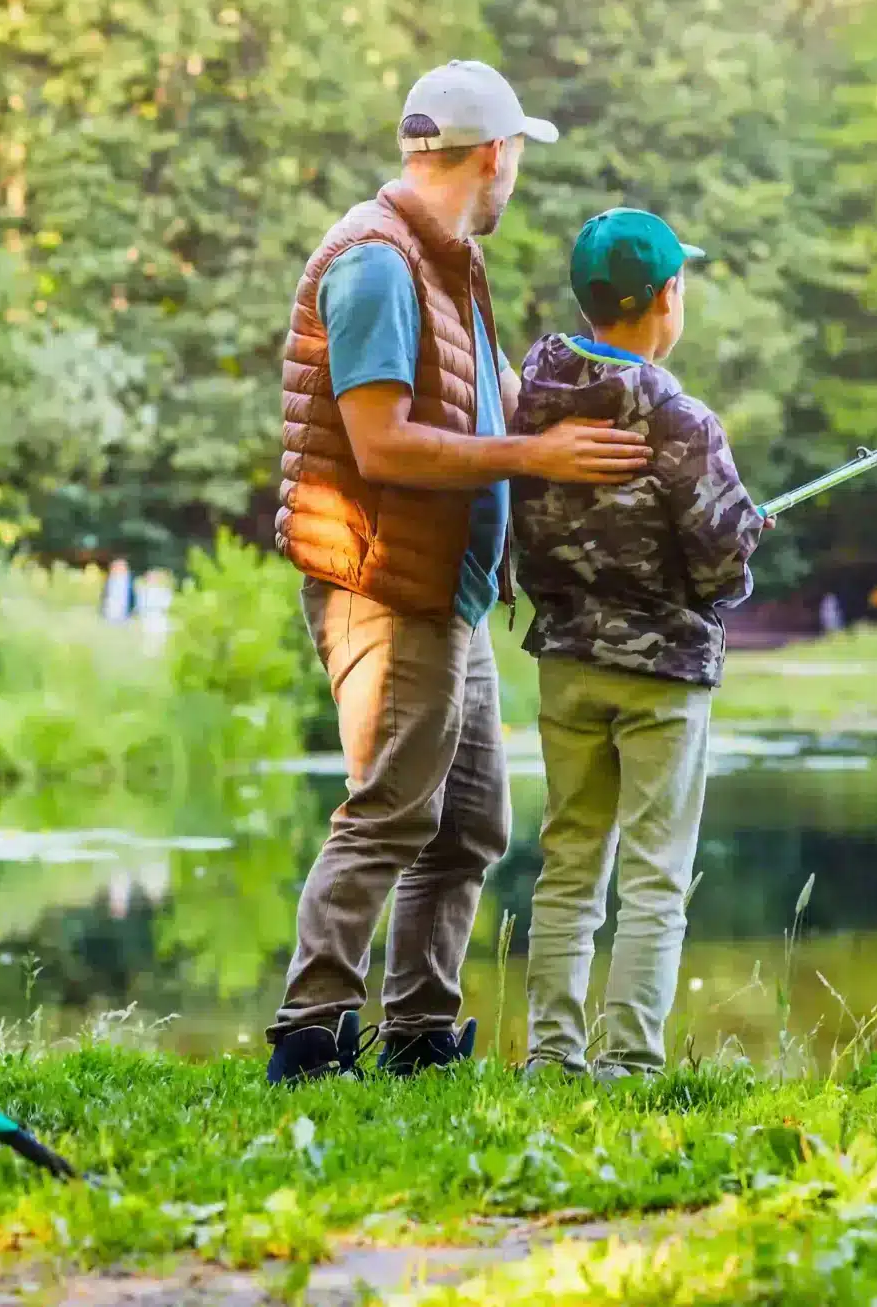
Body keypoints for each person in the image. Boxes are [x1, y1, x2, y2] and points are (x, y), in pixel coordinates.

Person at [266, 61, 654, 1084]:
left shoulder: (446, 262)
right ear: (492, 155)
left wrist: (609, 425)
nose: (514, 173)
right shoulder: (375, 266)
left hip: (451, 592)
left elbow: (494, 403)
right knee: (393, 806)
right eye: (517, 155)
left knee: (470, 821)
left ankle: (420, 1038)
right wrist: (536, 459)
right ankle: (310, 1034)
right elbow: (384, 444)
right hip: (385, 588)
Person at [509, 208, 765, 1081]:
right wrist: (745, 539)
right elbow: (725, 560)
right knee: (654, 875)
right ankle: (629, 1064)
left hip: (566, 667)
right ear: (667, 297)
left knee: (569, 863)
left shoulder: (532, 398)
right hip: (662, 677)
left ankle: (551, 1055)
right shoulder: (681, 419)